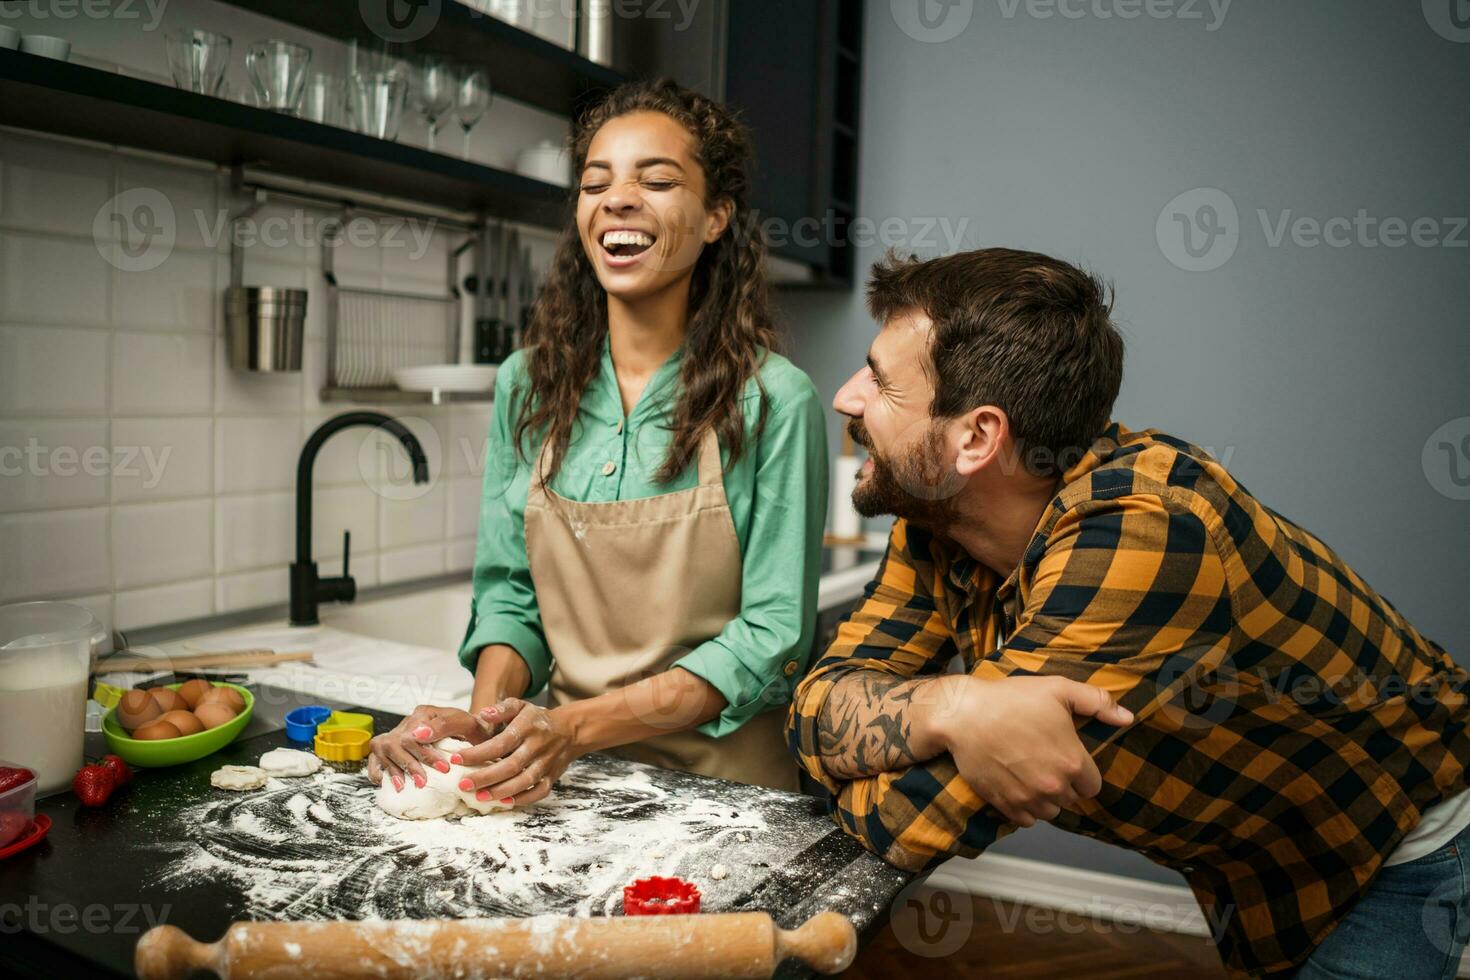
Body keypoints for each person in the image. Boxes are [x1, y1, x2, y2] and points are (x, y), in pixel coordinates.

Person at [788, 247, 1470, 978]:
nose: (846, 398)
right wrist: (952, 707)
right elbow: (811, 711)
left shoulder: (1149, 529)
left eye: (882, 384)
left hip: (1394, 841)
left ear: (977, 438)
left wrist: (895, 724)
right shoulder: (936, 521)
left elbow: (915, 817)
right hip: (1246, 858)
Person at [367, 79, 828, 798]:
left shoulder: (773, 399)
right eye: (595, 181)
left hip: (728, 793)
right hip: (572, 782)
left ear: (715, 218)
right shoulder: (529, 384)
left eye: (658, 179)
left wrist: (574, 726)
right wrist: (489, 725)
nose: (617, 198)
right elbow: (512, 594)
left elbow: (772, 639)